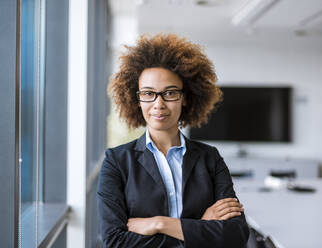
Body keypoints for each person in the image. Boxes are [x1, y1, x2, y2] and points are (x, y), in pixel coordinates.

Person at [97, 33, 249, 248]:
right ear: (137, 99)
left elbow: (236, 234)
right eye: (148, 93)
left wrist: (160, 224)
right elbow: (115, 241)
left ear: (185, 98)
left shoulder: (209, 157)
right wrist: (198, 227)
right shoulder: (117, 161)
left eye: (169, 93)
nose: (158, 104)